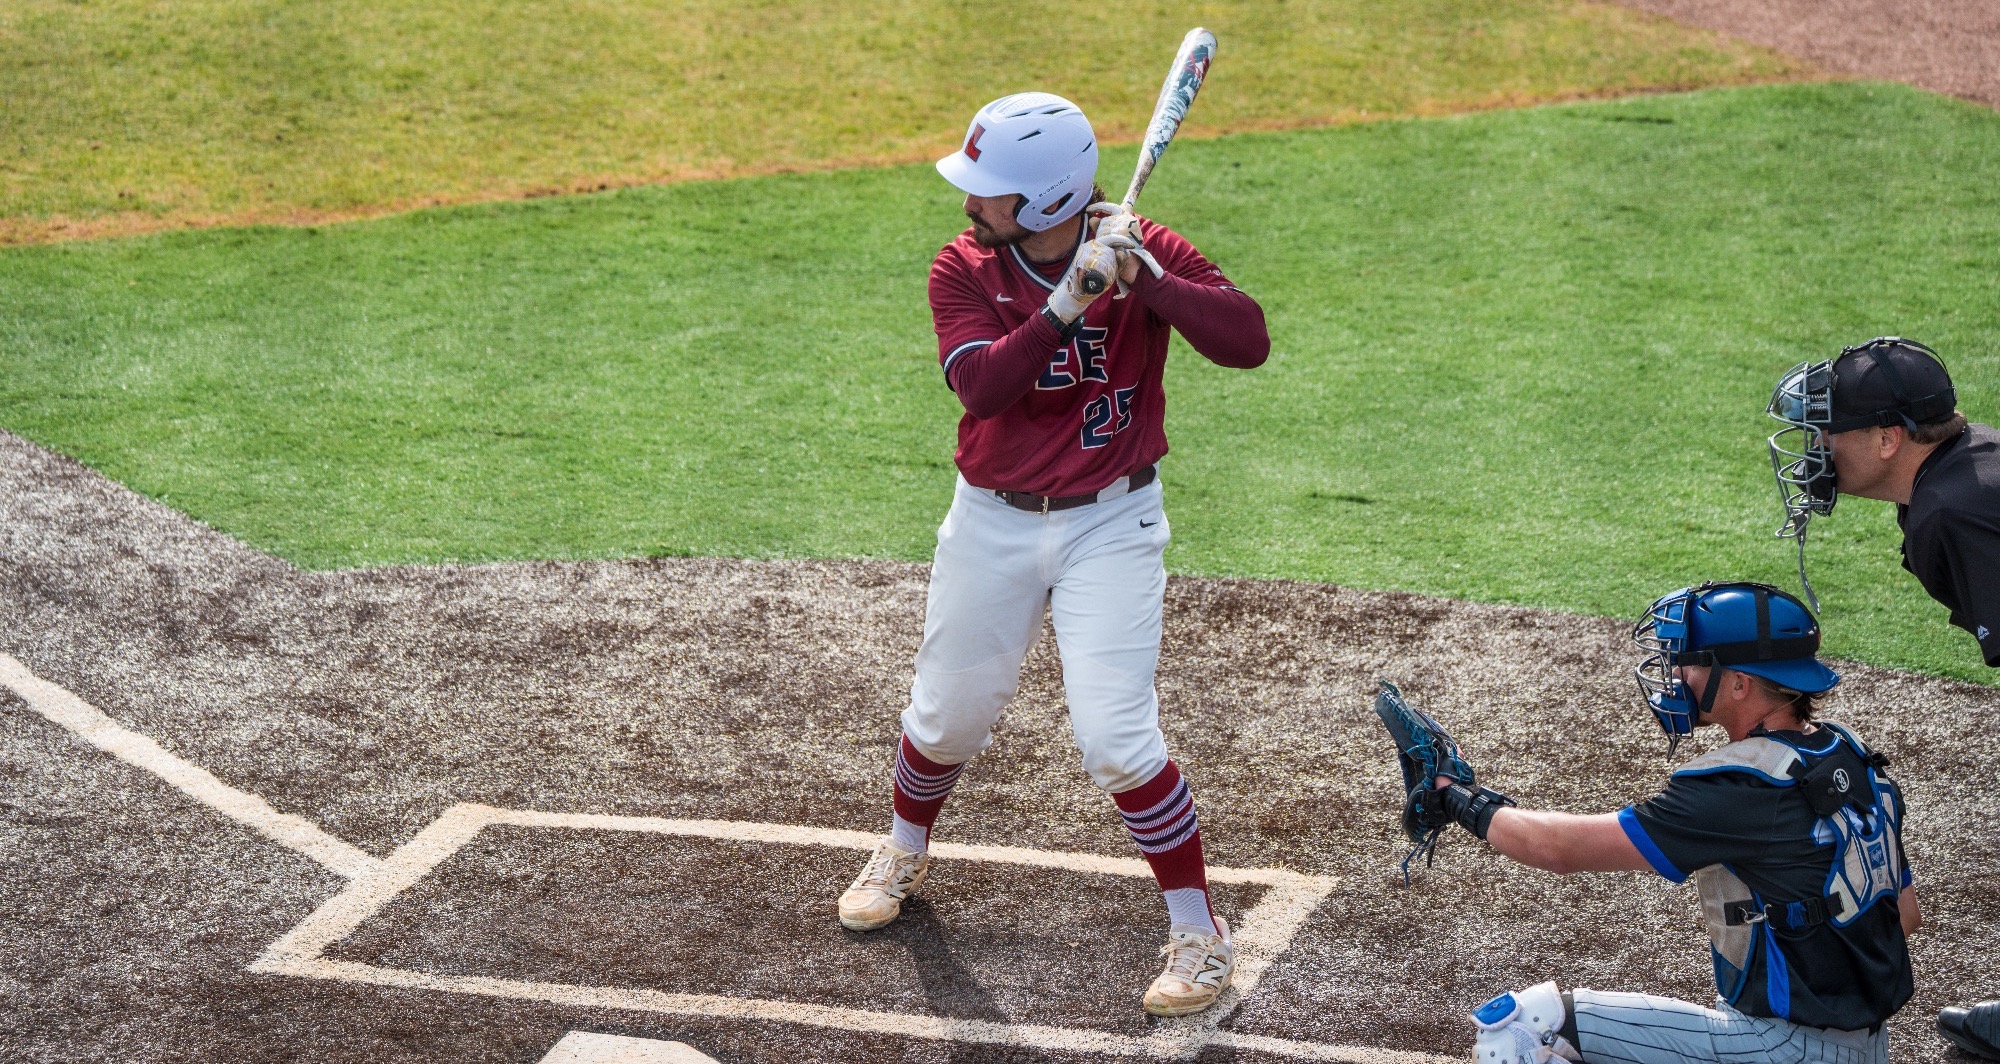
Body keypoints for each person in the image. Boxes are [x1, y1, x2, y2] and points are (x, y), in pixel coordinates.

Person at [834, 92, 1269, 1016]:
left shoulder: (1143, 247)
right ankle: (903, 850)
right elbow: (986, 388)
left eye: (990, 194)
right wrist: (1072, 301)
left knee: (1117, 739)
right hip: (992, 520)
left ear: (1044, 200)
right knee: (948, 718)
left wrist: (1148, 279)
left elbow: (1249, 342)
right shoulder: (961, 268)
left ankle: (1200, 932)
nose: (969, 205)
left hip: (1112, 524)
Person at [1418, 582, 1919, 1063]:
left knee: (1525, 1030)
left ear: (1741, 683)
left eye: (1691, 661)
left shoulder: (1742, 788)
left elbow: (1560, 849)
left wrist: (1457, 798)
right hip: (1865, 1046)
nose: (1676, 672)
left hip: (1783, 1049)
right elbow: (1906, 914)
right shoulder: (1850, 758)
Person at [1766, 336, 2000, 1057]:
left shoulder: (1954, 513)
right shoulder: (1963, 470)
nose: (1819, 444)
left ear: (1890, 438)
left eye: (1832, 428)